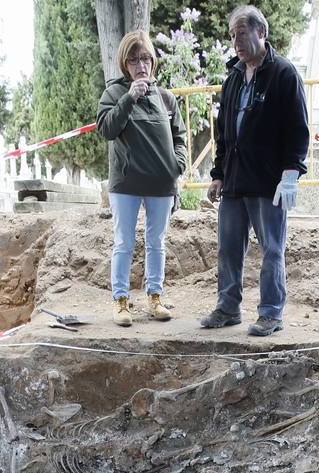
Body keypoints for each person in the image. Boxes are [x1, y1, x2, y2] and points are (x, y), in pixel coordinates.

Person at [201, 5, 309, 337]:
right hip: (234, 180)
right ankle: (228, 307)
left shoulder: (283, 74)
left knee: (272, 249)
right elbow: (223, 133)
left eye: (241, 34)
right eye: (232, 35)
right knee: (229, 247)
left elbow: (297, 128)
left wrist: (291, 173)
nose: (236, 42)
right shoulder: (233, 77)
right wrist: (218, 173)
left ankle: (271, 313)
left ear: (261, 32)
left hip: (267, 181)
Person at [96, 31, 187, 327]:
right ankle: (120, 301)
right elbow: (107, 129)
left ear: (153, 61)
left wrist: (178, 165)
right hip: (126, 184)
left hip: (161, 183)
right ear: (125, 63)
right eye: (134, 60)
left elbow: (179, 137)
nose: (141, 65)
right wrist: (129, 97)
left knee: (156, 242)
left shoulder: (165, 98)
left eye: (146, 58)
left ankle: (155, 296)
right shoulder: (113, 94)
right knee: (124, 241)